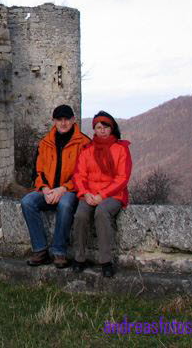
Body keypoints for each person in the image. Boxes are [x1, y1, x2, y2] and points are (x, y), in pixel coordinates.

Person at [21, 104, 91, 268]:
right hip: (48, 189)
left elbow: (85, 174)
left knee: (65, 204)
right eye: (59, 119)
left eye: (66, 119)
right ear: (54, 121)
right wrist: (45, 189)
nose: (63, 123)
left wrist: (63, 188)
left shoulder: (84, 143)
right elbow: (37, 171)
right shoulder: (45, 142)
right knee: (27, 202)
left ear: (73, 120)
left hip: (71, 190)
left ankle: (59, 252)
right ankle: (40, 250)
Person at [71, 111, 133, 278]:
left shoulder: (121, 149)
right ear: (94, 129)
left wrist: (102, 195)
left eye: (105, 127)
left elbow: (122, 178)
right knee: (80, 215)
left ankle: (106, 261)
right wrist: (85, 193)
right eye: (99, 127)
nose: (102, 130)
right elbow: (79, 175)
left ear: (111, 128)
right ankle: (79, 258)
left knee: (101, 212)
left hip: (113, 195)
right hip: (89, 194)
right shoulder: (87, 150)